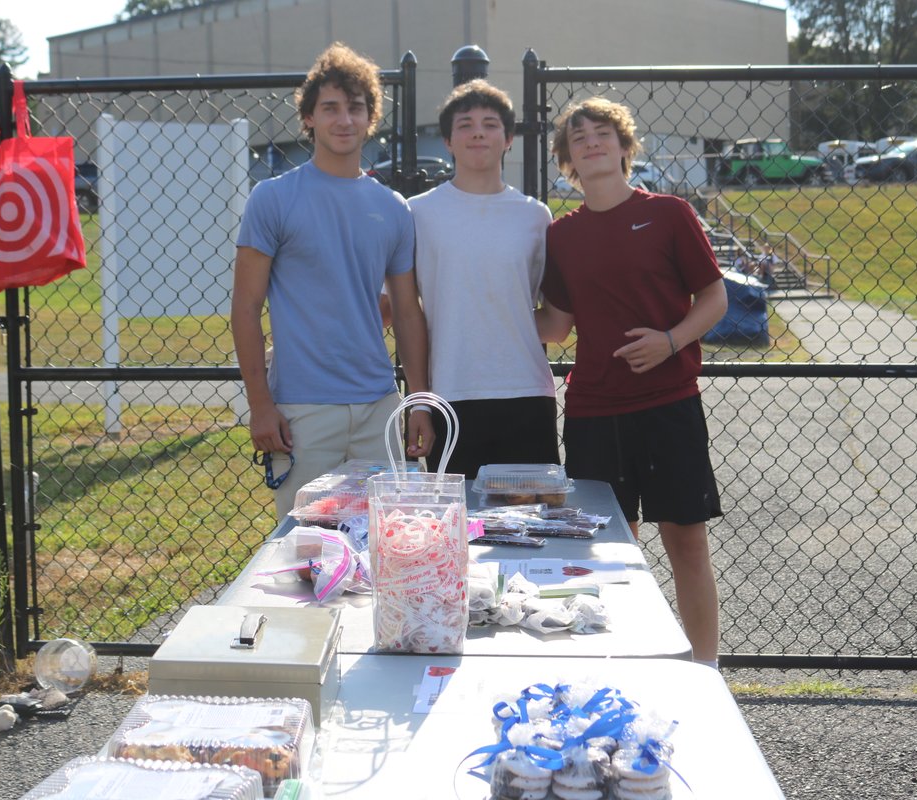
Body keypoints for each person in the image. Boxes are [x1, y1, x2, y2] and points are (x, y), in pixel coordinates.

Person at [536, 97, 729, 667]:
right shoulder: (561, 236)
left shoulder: (669, 213)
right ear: (567, 159)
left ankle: (704, 671)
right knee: (609, 551)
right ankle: (623, 668)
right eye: (578, 138)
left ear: (624, 145)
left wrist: (671, 339)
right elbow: (557, 326)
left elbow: (714, 297)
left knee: (686, 543)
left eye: (601, 132)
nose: (591, 142)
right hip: (594, 412)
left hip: (669, 404)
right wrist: (481, 304)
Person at [231, 43, 434, 517]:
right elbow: (245, 307)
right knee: (307, 546)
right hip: (302, 410)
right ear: (309, 117)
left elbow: (407, 313)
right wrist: (260, 405)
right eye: (330, 108)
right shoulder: (272, 198)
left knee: (388, 541)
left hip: (379, 406)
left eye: (355, 108)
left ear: (371, 118)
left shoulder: (393, 208)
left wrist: (419, 403)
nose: (344, 120)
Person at [408, 80, 558, 478]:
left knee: (533, 513)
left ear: (508, 139)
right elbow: (405, 313)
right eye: (466, 124)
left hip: (526, 392)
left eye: (490, 124)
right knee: (459, 516)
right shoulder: (417, 213)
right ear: (447, 141)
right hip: (450, 394)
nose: (478, 132)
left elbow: (552, 317)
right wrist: (420, 400)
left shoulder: (535, 215)